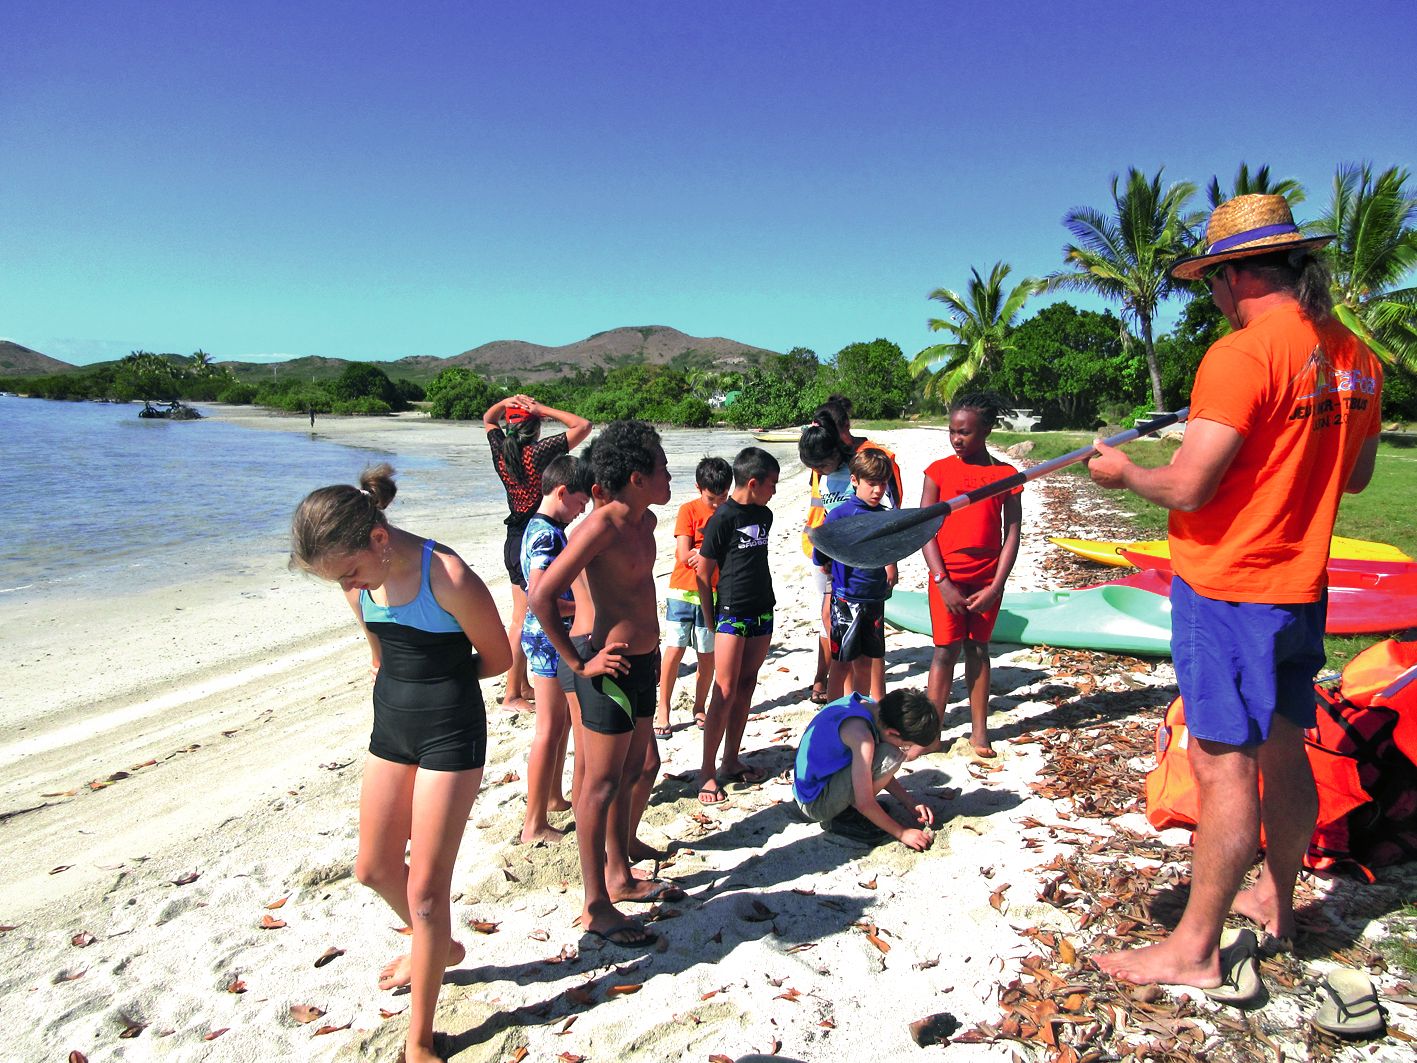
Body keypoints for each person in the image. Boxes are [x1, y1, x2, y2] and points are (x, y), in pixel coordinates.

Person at [1086, 194, 1382, 993]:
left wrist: (1121, 472)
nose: (1209, 297)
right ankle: (1276, 903)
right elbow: (1352, 475)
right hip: (1299, 586)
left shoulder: (1241, 353)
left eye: (1210, 281)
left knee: (1221, 765)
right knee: (1283, 747)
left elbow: (1186, 484)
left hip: (1228, 587)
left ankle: (1193, 948)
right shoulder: (1356, 354)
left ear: (1236, 272)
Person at [290, 464, 511, 1063]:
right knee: (372, 868)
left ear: (379, 540)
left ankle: (419, 1040)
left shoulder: (449, 575)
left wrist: (436, 684)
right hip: (390, 726)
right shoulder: (357, 576)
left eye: (349, 572)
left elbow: (498, 657)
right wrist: (379, 658)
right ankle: (435, 947)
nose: (348, 585)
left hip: (450, 733)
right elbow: (378, 642)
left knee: (428, 892)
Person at [528, 420, 679, 949]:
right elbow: (541, 596)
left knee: (638, 768)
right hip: (606, 667)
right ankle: (596, 905)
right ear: (637, 477)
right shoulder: (602, 526)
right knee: (600, 783)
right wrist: (578, 661)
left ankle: (619, 874)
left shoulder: (649, 521)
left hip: (643, 660)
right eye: (661, 467)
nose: (669, 474)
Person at [920, 392, 1023, 757]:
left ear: (986, 431)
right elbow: (925, 529)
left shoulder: (1004, 475)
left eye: (964, 432)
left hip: (986, 579)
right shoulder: (939, 471)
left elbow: (1012, 533)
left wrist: (996, 586)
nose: (956, 439)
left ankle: (980, 731)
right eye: (952, 431)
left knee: (978, 649)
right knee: (944, 651)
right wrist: (942, 581)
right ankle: (931, 735)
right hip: (946, 578)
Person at [484, 395, 592, 711]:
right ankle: (511, 693)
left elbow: (489, 420)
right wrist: (542, 408)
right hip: (536, 534)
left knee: (520, 615)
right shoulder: (537, 454)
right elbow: (583, 425)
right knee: (523, 616)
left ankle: (520, 685)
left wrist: (505, 402)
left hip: (514, 536)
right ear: (535, 426)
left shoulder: (502, 453)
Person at [694, 446, 780, 804]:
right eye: (772, 484)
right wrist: (711, 618)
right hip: (731, 612)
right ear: (754, 482)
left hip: (763, 609)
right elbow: (702, 570)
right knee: (724, 690)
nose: (775, 490)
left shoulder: (766, 515)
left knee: (746, 685)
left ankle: (731, 760)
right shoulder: (723, 518)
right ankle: (706, 771)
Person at [519, 454, 593, 844]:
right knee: (548, 729)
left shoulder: (536, 524)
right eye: (580, 503)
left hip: (545, 635)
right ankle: (533, 824)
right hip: (549, 637)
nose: (581, 512)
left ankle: (551, 797)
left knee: (560, 724)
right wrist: (581, 606)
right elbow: (537, 595)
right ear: (562, 492)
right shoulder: (548, 533)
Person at [792, 689, 940, 848]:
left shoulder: (870, 706)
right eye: (907, 745)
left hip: (811, 788)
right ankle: (843, 817)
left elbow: (875, 767)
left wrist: (909, 802)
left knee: (887, 754)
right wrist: (902, 833)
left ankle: (848, 808)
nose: (906, 749)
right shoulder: (862, 738)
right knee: (892, 755)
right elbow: (864, 802)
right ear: (892, 732)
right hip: (815, 804)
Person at [813, 447, 898, 702]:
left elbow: (891, 547)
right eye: (871, 484)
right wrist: (826, 562)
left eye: (883, 484)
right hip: (846, 599)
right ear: (854, 481)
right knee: (841, 663)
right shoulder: (840, 515)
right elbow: (820, 552)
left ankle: (859, 709)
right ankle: (832, 713)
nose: (878, 491)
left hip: (874, 599)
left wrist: (892, 564)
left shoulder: (885, 516)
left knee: (865, 662)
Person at [656, 455, 732, 736]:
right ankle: (663, 708)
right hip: (683, 590)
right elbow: (682, 553)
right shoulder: (688, 510)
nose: (717, 504)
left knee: (706, 655)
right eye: (712, 498)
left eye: (723, 497)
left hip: (712, 593)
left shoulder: (728, 513)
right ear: (699, 488)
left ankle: (699, 706)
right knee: (674, 651)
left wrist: (709, 558)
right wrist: (707, 554)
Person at [798, 406, 858, 704]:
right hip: (824, 554)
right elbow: (818, 510)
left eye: (822, 465)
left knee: (844, 621)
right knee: (826, 619)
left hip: (853, 558)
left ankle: (839, 683)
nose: (819, 471)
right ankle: (826, 680)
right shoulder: (820, 476)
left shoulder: (857, 471)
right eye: (815, 468)